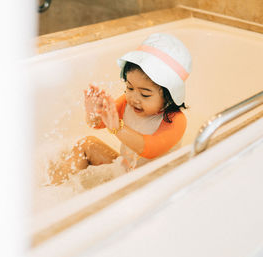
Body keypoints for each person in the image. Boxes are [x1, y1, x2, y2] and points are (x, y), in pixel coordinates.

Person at [48, 33, 192, 185]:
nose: (134, 98)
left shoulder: (176, 120)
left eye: (145, 94)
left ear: (169, 96)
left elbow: (150, 149)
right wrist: (94, 112)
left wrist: (118, 128)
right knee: (87, 143)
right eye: (129, 87)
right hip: (128, 172)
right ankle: (52, 191)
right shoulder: (127, 103)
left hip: (152, 185)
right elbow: (97, 124)